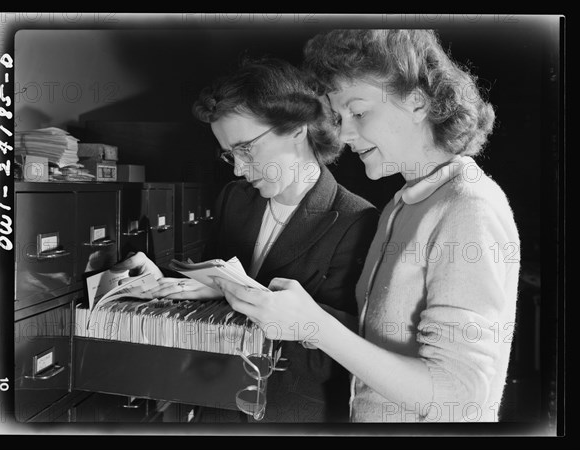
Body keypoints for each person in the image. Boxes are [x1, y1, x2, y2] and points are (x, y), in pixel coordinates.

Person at [213, 29, 521, 423]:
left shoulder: (468, 205)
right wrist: (287, 309)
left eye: (358, 113)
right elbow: (379, 340)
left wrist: (314, 323)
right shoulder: (403, 206)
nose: (343, 134)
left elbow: (460, 399)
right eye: (340, 118)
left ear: (417, 102)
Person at [114, 57, 379, 423]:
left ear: (297, 129)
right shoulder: (235, 198)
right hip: (213, 400)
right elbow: (211, 281)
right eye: (229, 154)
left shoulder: (357, 221)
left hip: (286, 415)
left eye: (247, 148)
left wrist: (234, 295)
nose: (238, 168)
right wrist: (163, 283)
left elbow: (333, 357)